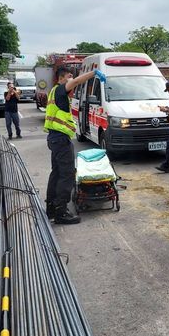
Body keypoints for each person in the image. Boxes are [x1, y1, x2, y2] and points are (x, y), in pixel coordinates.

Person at [45, 65, 106, 224]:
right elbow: (77, 81)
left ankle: (51, 207)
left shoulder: (53, 92)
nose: (71, 79)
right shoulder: (60, 90)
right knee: (67, 174)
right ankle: (61, 212)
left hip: (54, 138)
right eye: (69, 76)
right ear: (62, 78)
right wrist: (94, 73)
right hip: (60, 139)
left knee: (57, 173)